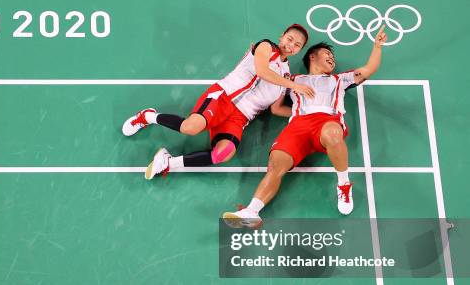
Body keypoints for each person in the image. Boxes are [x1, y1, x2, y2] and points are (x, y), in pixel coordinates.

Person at [223, 25, 388, 227]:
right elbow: (276, 109)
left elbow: (368, 69)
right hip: (298, 126)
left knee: (333, 133)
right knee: (275, 165)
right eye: (327, 53)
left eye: (332, 56)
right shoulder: (292, 80)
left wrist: (377, 46)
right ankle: (251, 212)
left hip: (327, 122)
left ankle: (344, 184)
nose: (332, 58)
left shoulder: (339, 79)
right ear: (312, 56)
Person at [121, 24, 314, 179]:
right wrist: (295, 86)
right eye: (290, 39)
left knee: (224, 153)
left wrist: (307, 112)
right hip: (223, 96)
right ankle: (147, 116)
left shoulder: (286, 74)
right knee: (190, 127)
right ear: (282, 36)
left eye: (297, 45)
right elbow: (263, 71)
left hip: (240, 117)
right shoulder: (266, 46)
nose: (291, 45)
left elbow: (276, 108)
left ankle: (168, 163)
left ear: (299, 50)